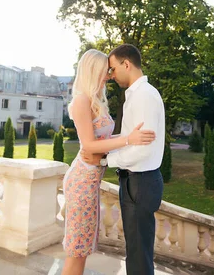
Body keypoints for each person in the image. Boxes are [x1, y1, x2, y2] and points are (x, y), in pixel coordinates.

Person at [62, 49, 156, 275]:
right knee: (77, 251)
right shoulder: (81, 101)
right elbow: (89, 146)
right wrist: (127, 139)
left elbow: (100, 141)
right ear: (94, 70)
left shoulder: (95, 101)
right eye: (106, 70)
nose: (109, 75)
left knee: (82, 248)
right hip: (81, 181)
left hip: (91, 182)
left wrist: (127, 139)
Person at [99, 44, 165, 275]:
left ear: (126, 64)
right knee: (137, 251)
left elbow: (143, 150)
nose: (110, 76)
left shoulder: (144, 96)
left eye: (113, 69)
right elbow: (132, 139)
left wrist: (106, 160)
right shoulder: (137, 95)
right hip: (135, 182)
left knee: (138, 254)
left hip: (140, 182)